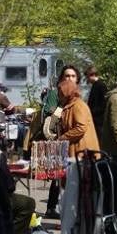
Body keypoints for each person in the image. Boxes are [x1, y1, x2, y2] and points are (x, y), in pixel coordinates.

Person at [44, 65, 81, 218]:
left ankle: (60, 209)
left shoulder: (78, 97)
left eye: (73, 76)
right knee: (59, 176)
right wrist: (62, 112)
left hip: (74, 142)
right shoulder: (55, 93)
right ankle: (53, 208)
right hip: (60, 139)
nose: (70, 79)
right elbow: (49, 111)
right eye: (67, 76)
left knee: (67, 178)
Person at [58, 78, 99, 157]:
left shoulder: (78, 105)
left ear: (68, 92)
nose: (59, 96)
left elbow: (81, 127)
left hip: (84, 152)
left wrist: (63, 138)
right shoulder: (69, 105)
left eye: (61, 94)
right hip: (77, 151)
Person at [85, 65, 107, 131]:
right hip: (95, 120)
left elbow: (104, 103)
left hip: (99, 122)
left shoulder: (101, 85)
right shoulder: (95, 85)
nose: (87, 79)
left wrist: (92, 111)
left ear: (93, 75)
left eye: (87, 76)